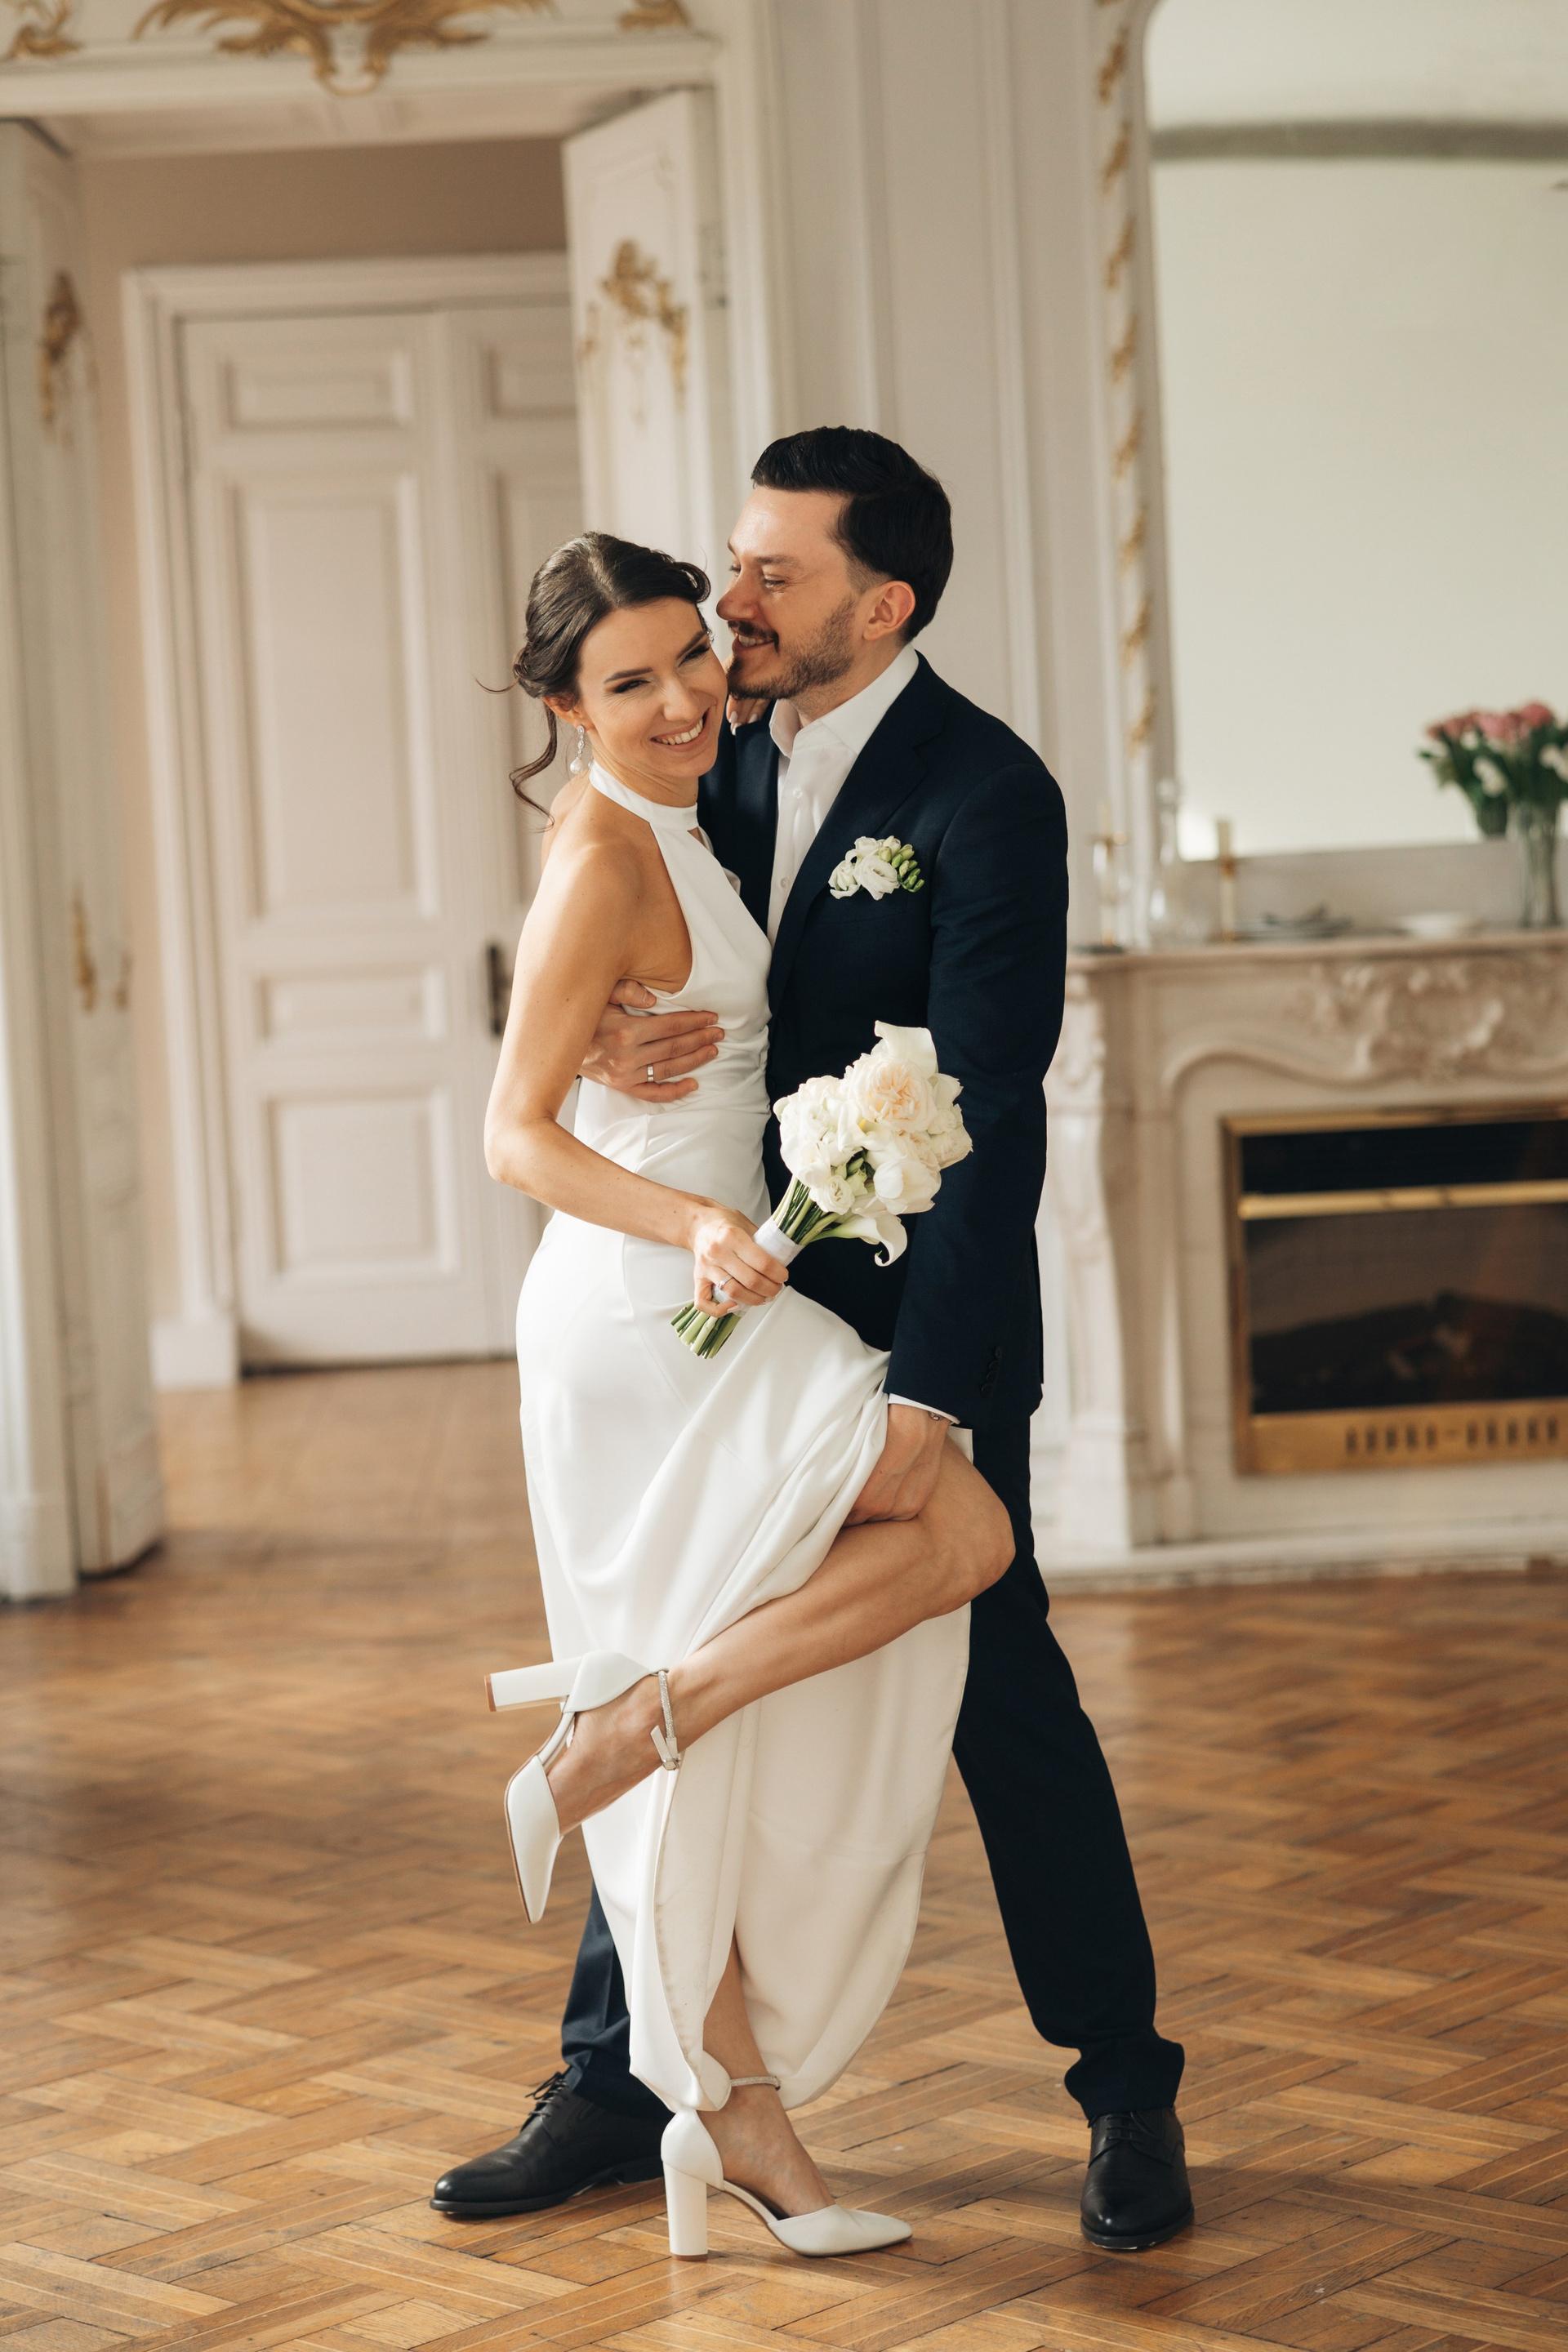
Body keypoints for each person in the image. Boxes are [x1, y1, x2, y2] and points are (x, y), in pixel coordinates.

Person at [433, 429, 1192, 2256]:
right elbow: (608, 949)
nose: (733, 606)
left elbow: (987, 1113)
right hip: (702, 1310)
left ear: (885, 602)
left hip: (900, 1337)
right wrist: (599, 1042)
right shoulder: (712, 749)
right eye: (733, 565)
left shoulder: (983, 793)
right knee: (665, 1632)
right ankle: (622, 2083)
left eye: (774, 576)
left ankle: (1124, 2083)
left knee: (1002, 1692)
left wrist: (933, 1386)